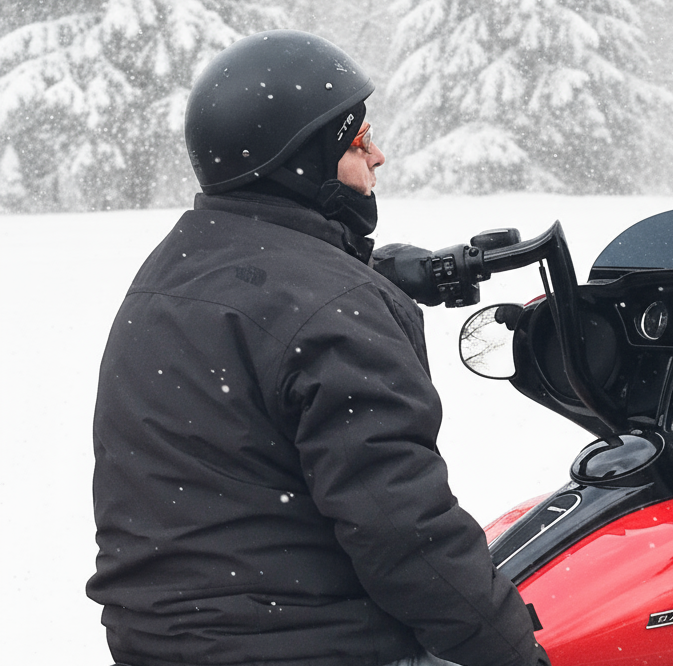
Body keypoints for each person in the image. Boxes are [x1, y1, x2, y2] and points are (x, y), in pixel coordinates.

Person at [87, 29, 550, 666]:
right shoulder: (333, 315)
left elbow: (267, 296)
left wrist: (378, 271)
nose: (379, 157)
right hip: (303, 645)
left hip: (165, 638)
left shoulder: (173, 272)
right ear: (301, 163)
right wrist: (511, 650)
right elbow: (404, 534)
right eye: (359, 142)